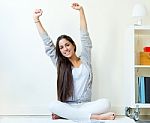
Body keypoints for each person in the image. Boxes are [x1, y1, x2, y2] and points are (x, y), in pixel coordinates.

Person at [33, 3, 115, 121]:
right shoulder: (60, 64)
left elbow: (84, 36)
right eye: (61, 47)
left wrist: (81, 11)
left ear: (73, 45)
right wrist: (36, 20)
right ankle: (95, 117)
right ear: (59, 51)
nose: (65, 49)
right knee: (52, 105)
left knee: (106, 103)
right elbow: (48, 45)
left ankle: (66, 115)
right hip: (67, 105)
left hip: (85, 105)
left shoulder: (85, 59)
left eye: (67, 45)